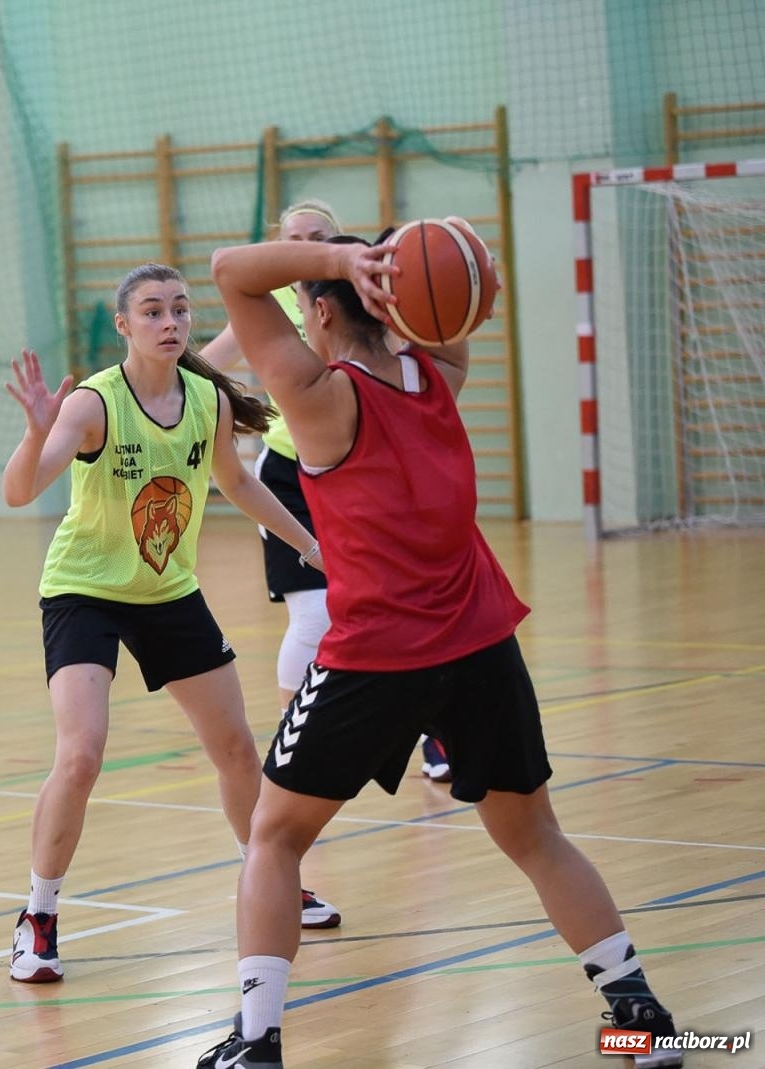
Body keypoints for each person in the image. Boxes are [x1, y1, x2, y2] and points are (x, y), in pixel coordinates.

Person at [196, 233, 680, 1067]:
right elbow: (459, 294)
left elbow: (227, 270)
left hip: (377, 653)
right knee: (536, 837)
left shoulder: (316, 396)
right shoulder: (436, 373)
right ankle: (641, 1019)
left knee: (273, 835)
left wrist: (340, 260)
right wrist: (394, 269)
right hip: (482, 641)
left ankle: (255, 1042)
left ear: (316, 311)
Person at [1, 262, 341, 985]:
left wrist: (308, 542)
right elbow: (19, 489)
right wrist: (36, 434)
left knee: (238, 751)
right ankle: (38, 914)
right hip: (84, 589)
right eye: (152, 311)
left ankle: (273, 879)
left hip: (166, 588)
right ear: (124, 325)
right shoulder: (93, 403)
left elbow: (238, 481)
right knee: (82, 755)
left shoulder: (206, 399)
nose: (170, 322)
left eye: (180, 310)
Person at [204, 199, 451, 786]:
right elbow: (201, 367)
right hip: (288, 478)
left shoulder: (365, 303)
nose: (309, 243)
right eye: (297, 238)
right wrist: (231, 409)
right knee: (315, 614)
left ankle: (428, 727)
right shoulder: (272, 309)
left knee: (390, 606)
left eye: (319, 235)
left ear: (338, 241)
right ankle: (301, 737)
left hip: (360, 471)